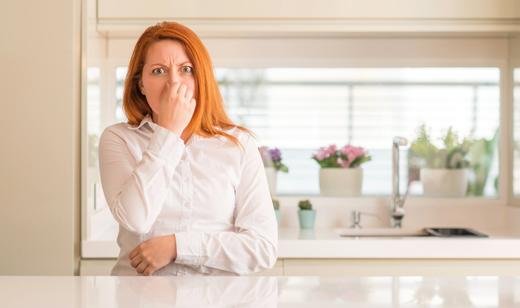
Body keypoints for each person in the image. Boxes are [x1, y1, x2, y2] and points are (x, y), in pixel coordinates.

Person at [99, 21, 278, 276]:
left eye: (186, 69)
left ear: (200, 78)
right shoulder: (118, 139)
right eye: (159, 71)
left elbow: (262, 248)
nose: (174, 84)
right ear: (140, 84)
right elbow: (135, 220)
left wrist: (177, 246)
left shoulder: (239, 145)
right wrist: (168, 132)